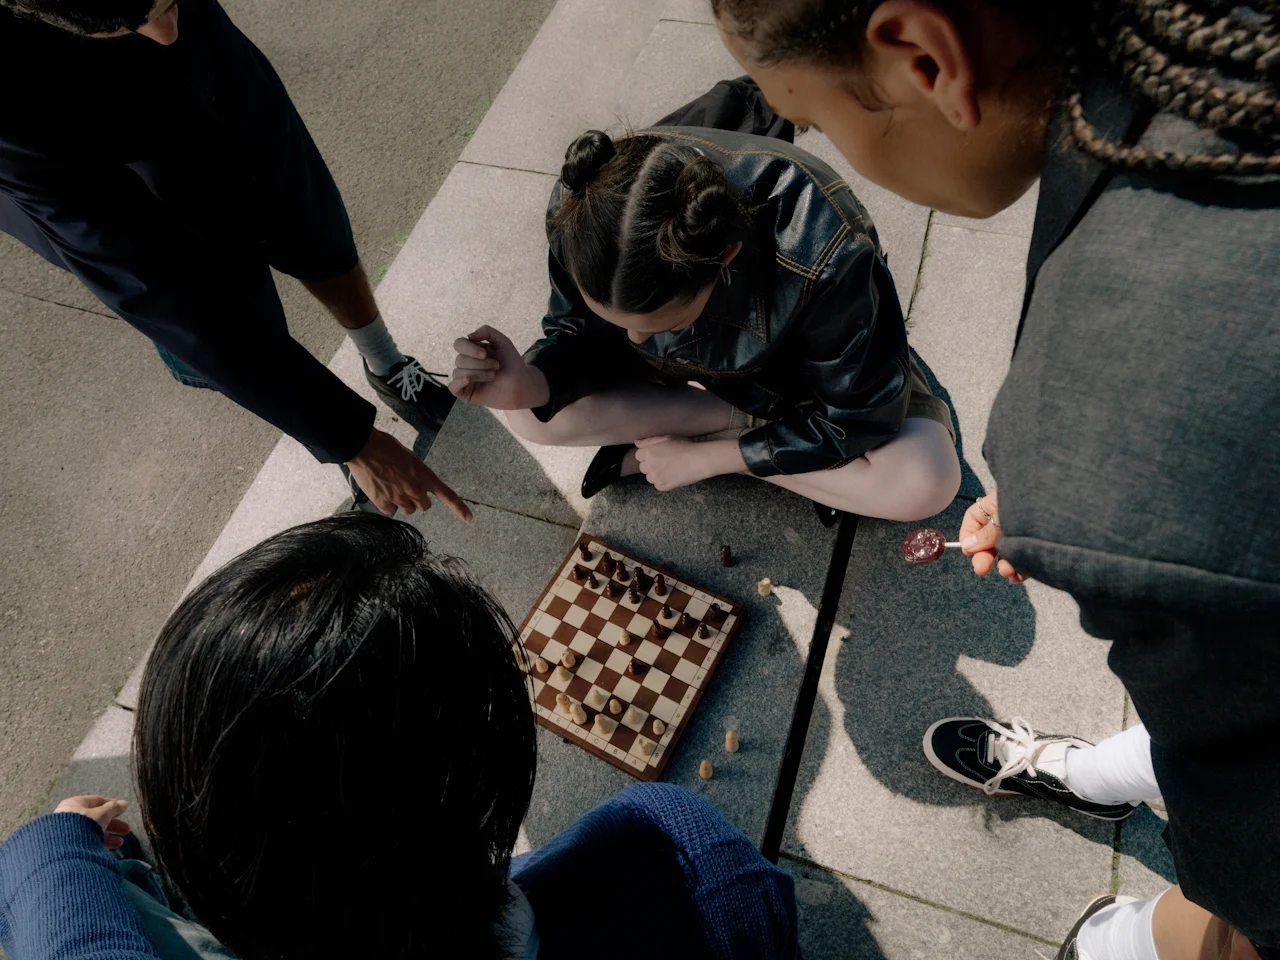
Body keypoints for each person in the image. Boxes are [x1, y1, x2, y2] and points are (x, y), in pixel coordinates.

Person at [708, 2, 1280, 959]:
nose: (823, 147)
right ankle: (1107, 776)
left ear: (923, 60)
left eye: (811, 123)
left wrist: (1100, 500)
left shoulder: (1115, 430)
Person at [0, 514, 801, 960]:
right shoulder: (684, 861)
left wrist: (58, 838)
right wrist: (61, 839)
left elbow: (55, 914)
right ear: (491, 777)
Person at [0, 0, 469, 520]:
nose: (164, 32)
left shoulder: (178, 29)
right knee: (231, 305)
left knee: (306, 215)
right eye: (134, 22)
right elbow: (155, 286)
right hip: (102, 153)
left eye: (168, 2)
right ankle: (339, 446)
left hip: (215, 70)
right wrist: (347, 436)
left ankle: (385, 362)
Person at [448, 102, 960, 523]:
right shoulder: (585, 207)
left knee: (925, 481)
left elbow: (860, 415)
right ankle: (735, 425)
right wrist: (533, 381)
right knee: (526, 416)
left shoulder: (824, 249)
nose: (635, 340)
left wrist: (709, 459)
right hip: (713, 386)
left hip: (798, 382)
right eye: (619, 317)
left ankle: (719, 433)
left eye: (664, 322)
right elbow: (579, 334)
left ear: (725, 259)